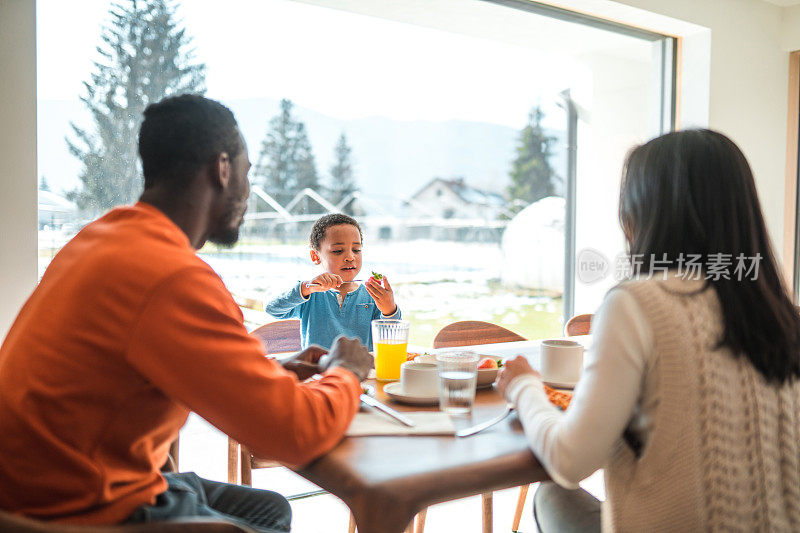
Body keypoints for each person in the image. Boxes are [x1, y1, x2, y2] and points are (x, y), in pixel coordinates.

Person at [0, 94, 374, 532]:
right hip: (80, 509)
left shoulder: (99, 239)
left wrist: (269, 370)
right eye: (247, 173)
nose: (247, 192)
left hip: (30, 487)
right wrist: (346, 372)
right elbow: (296, 436)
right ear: (222, 169)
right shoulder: (172, 275)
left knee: (270, 509)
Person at [497, 129, 800, 532]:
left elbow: (570, 461)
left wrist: (524, 387)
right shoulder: (783, 315)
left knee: (553, 494)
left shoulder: (638, 302)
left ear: (643, 214)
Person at [265, 213, 400, 350]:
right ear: (315, 256)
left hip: (361, 371)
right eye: (338, 251)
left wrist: (389, 310)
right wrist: (306, 288)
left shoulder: (372, 296)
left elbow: (393, 340)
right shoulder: (310, 293)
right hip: (319, 370)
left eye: (356, 250)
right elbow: (273, 309)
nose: (350, 257)